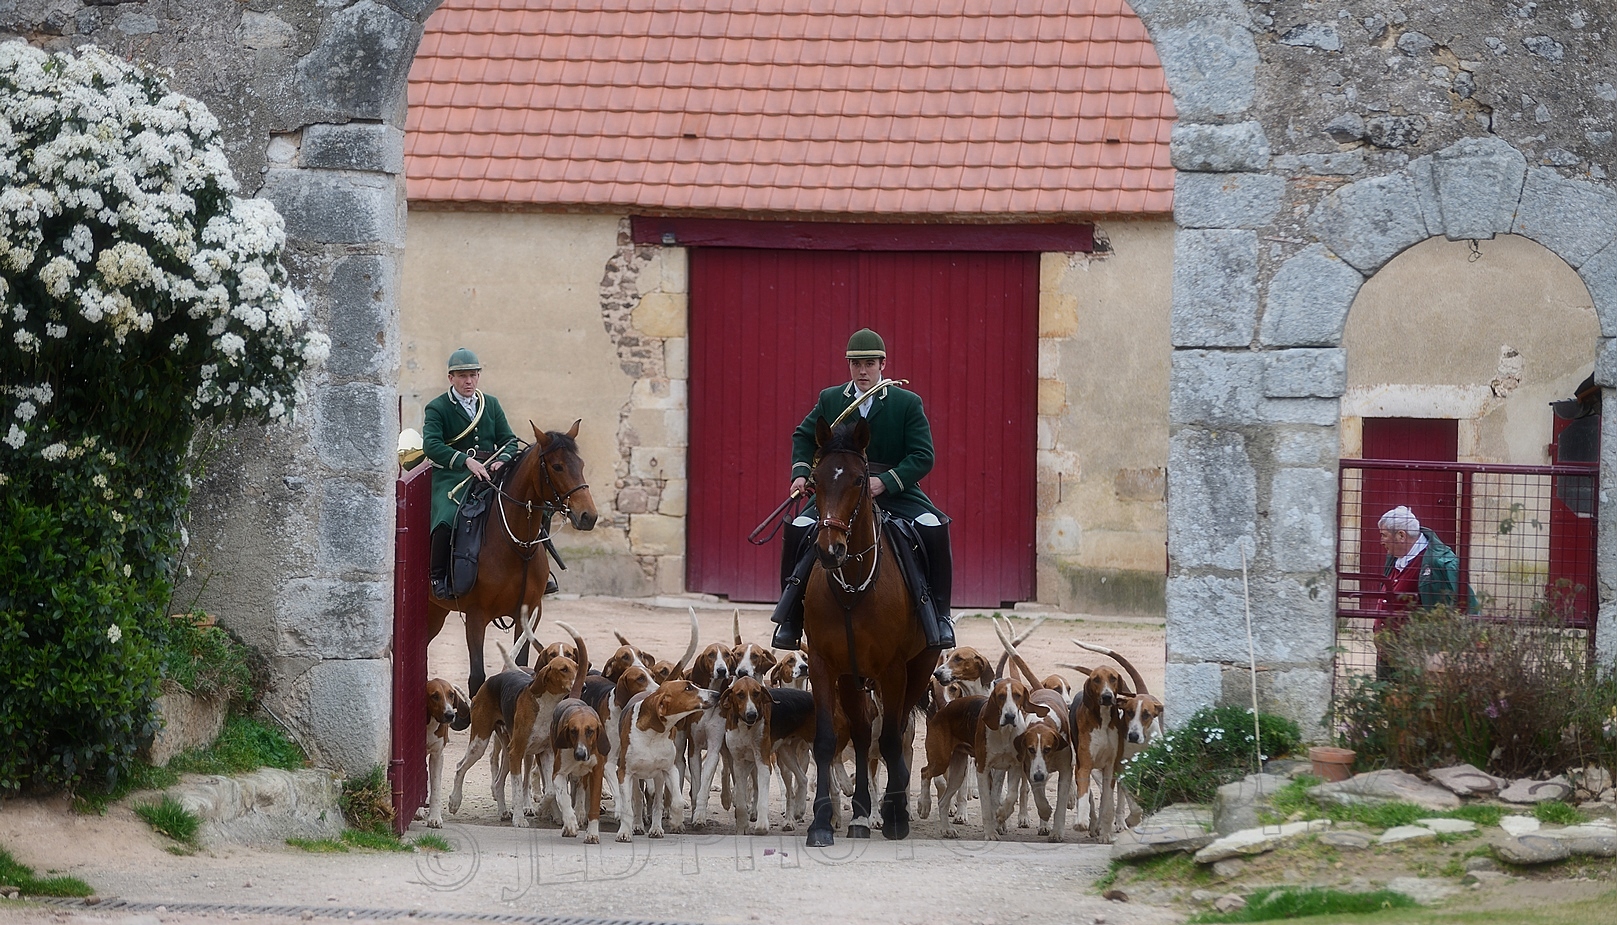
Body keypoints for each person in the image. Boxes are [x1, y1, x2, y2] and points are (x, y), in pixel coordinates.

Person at [769, 328, 955, 650]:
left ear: (883, 364)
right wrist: (801, 472)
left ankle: (939, 614)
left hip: (895, 490)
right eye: (856, 364)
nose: (863, 371)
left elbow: (923, 455)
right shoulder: (831, 399)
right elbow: (803, 436)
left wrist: (887, 481)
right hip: (843, 491)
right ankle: (791, 617)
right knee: (799, 526)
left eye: (869, 363)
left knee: (933, 526)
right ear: (849, 366)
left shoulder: (906, 402)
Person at [422, 348, 555, 599]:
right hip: (453, 476)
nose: (468, 381)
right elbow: (432, 445)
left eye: (473, 375)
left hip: (490, 472)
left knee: (537, 507)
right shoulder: (437, 407)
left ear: (478, 376)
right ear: (451, 378)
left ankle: (540, 571)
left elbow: (508, 440)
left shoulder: (490, 404)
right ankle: (438, 575)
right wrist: (465, 461)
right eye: (462, 376)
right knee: (448, 515)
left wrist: (502, 460)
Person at [1374, 505, 1462, 678]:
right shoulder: (1396, 556)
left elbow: (1460, 607)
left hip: (1416, 659)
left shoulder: (1440, 563)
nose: (1381, 541)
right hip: (1389, 654)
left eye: (1383, 535)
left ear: (1401, 535)